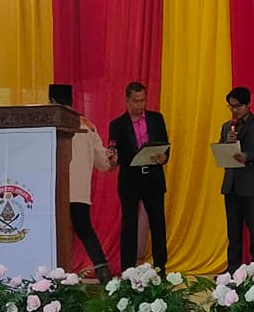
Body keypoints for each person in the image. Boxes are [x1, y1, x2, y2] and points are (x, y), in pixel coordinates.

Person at [49, 83, 115, 277]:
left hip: (54, 189)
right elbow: (104, 163)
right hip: (79, 190)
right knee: (85, 230)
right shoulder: (87, 125)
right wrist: (112, 159)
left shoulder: (49, 124)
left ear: (52, 101)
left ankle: (52, 274)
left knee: (53, 233)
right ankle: (103, 272)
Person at [107, 81, 169, 271]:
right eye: (136, 101)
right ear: (127, 100)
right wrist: (113, 157)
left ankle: (161, 268)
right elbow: (114, 151)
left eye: (143, 100)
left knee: (158, 223)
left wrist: (163, 157)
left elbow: (165, 146)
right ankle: (128, 269)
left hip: (153, 176)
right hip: (130, 178)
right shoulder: (117, 124)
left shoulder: (156, 119)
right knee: (129, 225)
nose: (140, 105)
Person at [219, 86, 254, 271]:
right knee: (233, 231)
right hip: (231, 184)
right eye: (231, 106)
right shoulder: (227, 126)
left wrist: (248, 156)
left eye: (238, 106)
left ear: (248, 104)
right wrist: (228, 142)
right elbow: (220, 151)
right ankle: (233, 270)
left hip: (251, 185)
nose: (234, 110)